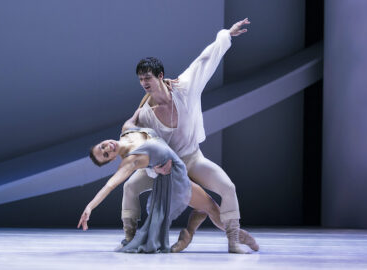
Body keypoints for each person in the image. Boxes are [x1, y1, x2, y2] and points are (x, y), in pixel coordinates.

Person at [121, 18, 259, 253]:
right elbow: (139, 149)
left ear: (160, 75)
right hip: (166, 170)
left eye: (148, 77)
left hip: (192, 159)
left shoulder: (183, 88)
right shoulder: (145, 114)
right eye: (141, 79)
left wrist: (226, 35)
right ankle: (130, 237)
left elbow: (204, 61)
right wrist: (154, 170)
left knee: (227, 188)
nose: (144, 82)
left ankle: (234, 240)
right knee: (130, 187)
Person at [78, 121, 227, 253]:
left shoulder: (128, 128)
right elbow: (109, 185)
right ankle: (236, 235)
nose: (108, 148)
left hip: (181, 162)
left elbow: (145, 104)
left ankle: (200, 231)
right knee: (211, 207)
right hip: (174, 179)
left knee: (208, 207)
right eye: (105, 154)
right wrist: (90, 206)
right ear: (111, 159)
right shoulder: (129, 162)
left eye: (102, 146)